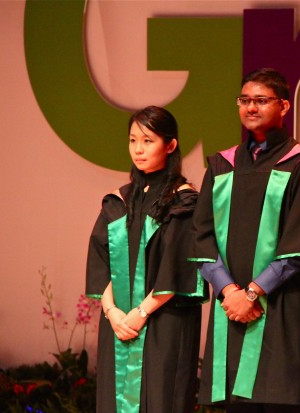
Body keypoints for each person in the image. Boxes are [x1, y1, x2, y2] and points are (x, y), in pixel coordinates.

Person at [192, 68, 300, 413]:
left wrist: (252, 293)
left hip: (282, 308)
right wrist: (229, 291)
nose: (251, 108)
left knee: (277, 401)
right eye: (245, 100)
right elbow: (202, 236)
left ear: (283, 106)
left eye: (261, 101)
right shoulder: (222, 166)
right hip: (232, 310)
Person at [85, 106, 206, 413]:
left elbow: (179, 266)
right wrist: (112, 313)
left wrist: (140, 313)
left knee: (162, 398)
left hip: (164, 322)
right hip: (118, 325)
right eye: (133, 140)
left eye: (148, 141)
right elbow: (101, 261)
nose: (138, 149)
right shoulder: (119, 201)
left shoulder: (184, 201)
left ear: (171, 145)